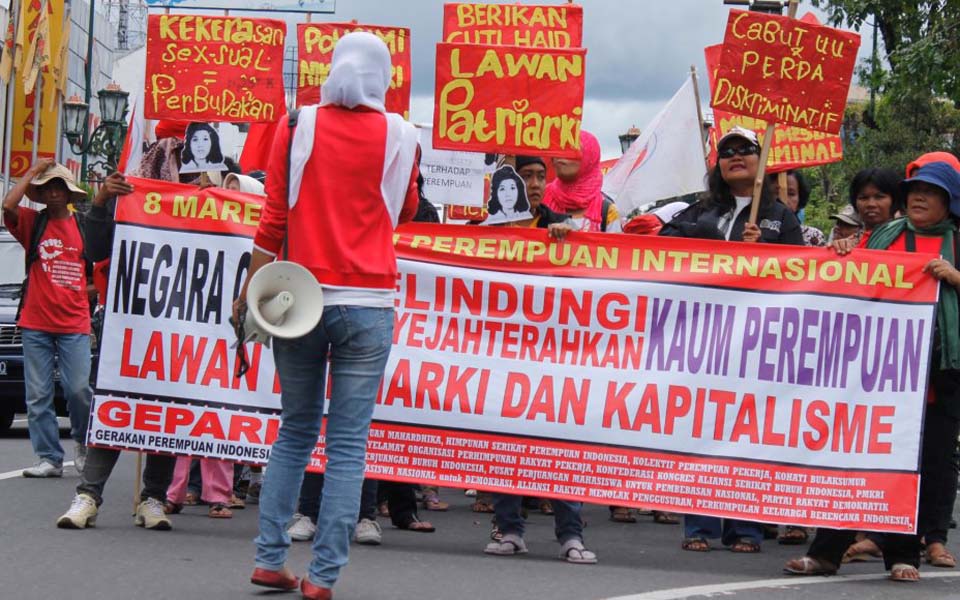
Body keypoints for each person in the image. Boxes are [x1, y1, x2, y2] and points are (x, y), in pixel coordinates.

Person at [239, 32, 419, 600]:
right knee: (347, 442)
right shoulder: (400, 133)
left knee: (294, 429)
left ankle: (270, 558)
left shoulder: (297, 124)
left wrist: (250, 292)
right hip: (366, 303)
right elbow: (405, 210)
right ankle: (323, 576)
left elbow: (272, 218)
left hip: (299, 298)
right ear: (381, 76)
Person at [785, 159, 960, 582]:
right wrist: (846, 254)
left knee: (916, 462)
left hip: (941, 373)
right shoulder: (885, 236)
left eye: (931, 192)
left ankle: (903, 555)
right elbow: (854, 284)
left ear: (950, 202)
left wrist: (956, 278)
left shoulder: (957, 243)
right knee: (857, 453)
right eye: (914, 190)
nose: (919, 197)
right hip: (879, 369)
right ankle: (826, 552)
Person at [661, 126, 803, 553]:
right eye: (728, 151)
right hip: (705, 340)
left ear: (763, 160)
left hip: (758, 344)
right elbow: (664, 244)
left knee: (747, 435)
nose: (736, 156)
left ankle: (745, 529)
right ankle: (699, 527)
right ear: (718, 166)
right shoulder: (701, 211)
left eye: (746, 150)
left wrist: (766, 255)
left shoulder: (782, 217)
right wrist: (717, 247)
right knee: (701, 430)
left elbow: (802, 273)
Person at [56, 124, 195, 530]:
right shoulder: (136, 194)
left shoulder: (216, 190)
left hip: (180, 326)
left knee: (165, 411)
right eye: (176, 150)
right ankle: (87, 495)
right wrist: (100, 203)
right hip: (128, 321)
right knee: (113, 406)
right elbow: (97, 250)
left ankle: (152, 498)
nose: (181, 156)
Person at [2, 160, 93, 478]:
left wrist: (80, 293)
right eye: (48, 187)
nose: (54, 193)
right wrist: (31, 172)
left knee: (79, 389)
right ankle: (49, 457)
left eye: (60, 187)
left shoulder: (83, 227)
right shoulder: (33, 223)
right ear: (41, 193)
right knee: (37, 394)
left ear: (68, 193)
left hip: (74, 323)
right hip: (36, 322)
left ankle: (83, 441)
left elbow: (97, 276)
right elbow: (8, 204)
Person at [543, 130, 622, 233]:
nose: (560, 155)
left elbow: (615, 248)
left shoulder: (607, 212)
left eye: (571, 149)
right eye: (558, 148)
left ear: (589, 157)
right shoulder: (537, 199)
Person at [768, 170, 825, 246]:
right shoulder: (754, 232)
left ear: (800, 198)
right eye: (776, 193)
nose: (783, 199)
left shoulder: (814, 237)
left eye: (791, 194)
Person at [848, 167, 902, 236]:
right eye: (863, 198)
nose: (871, 204)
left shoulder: (909, 241)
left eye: (879, 197)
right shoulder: (847, 245)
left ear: (894, 200)